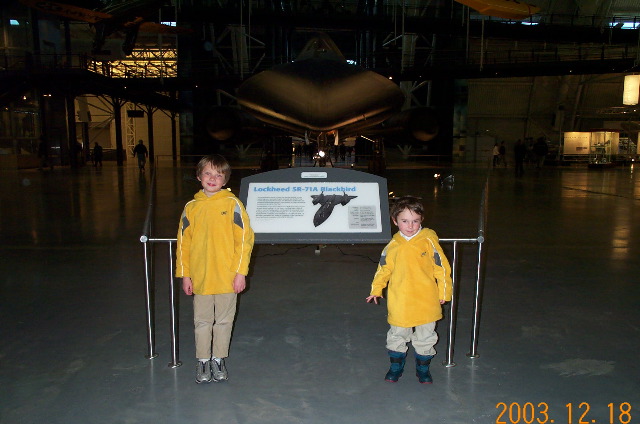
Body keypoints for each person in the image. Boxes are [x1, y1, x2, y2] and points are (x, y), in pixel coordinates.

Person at [175, 155, 255, 384]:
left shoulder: (233, 204)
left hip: (227, 277)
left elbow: (244, 240)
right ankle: (202, 360)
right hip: (201, 277)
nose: (213, 178)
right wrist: (185, 275)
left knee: (224, 320)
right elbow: (183, 243)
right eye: (208, 173)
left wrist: (241, 273)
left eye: (218, 175)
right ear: (199, 176)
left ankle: (218, 358)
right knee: (202, 321)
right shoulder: (191, 207)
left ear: (225, 179)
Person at [366, 196, 452, 384]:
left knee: (426, 336)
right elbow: (383, 269)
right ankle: (396, 366)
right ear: (395, 221)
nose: (411, 226)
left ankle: (423, 369)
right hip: (400, 301)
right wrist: (377, 289)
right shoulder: (393, 246)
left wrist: (444, 292)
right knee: (397, 334)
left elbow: (442, 268)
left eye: (415, 221)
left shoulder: (428, 242)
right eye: (405, 221)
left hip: (426, 300)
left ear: (422, 220)